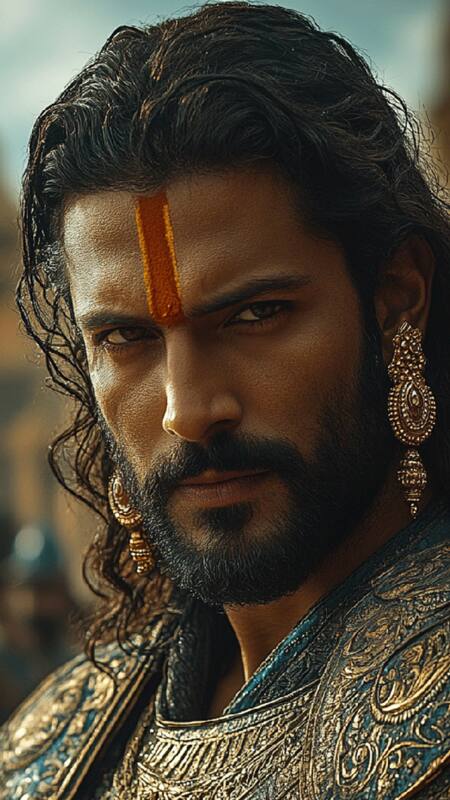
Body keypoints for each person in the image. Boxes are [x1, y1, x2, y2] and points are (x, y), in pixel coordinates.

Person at [1, 2, 449, 797]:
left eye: (255, 315)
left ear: (395, 299)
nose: (188, 408)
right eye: (125, 338)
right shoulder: (51, 752)